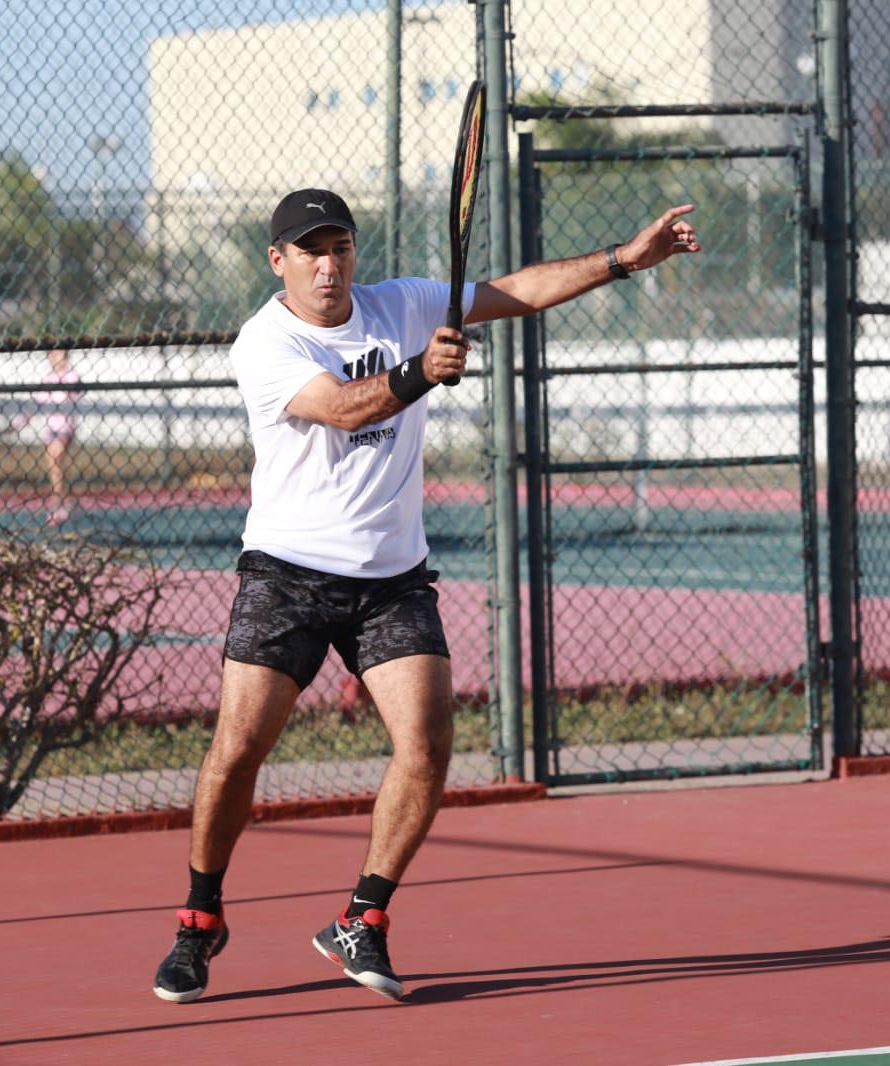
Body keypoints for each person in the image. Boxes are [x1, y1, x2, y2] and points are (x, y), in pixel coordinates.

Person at [152, 188, 701, 1004]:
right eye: (310, 250)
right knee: (237, 749)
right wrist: (417, 373)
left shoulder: (403, 303)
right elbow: (341, 409)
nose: (328, 263)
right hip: (287, 573)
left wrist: (624, 259)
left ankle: (361, 920)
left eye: (339, 246)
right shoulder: (265, 343)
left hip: (391, 579)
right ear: (279, 262)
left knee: (429, 745)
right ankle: (199, 920)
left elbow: (517, 290)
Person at [7, 348, 80, 524]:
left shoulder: (71, 376)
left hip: (64, 428)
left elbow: (76, 394)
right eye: (53, 354)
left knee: (56, 462)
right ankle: (66, 501)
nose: (56, 358)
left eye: (60, 354)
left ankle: (56, 505)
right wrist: (16, 425)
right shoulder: (48, 379)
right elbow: (35, 406)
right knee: (55, 468)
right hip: (51, 430)